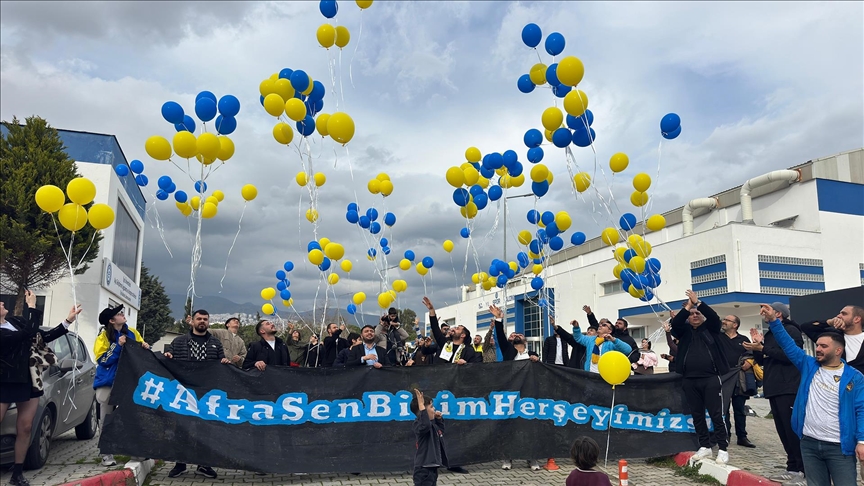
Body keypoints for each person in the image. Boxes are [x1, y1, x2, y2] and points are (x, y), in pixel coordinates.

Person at [760, 303, 864, 486]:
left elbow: (861, 409)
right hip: (809, 444)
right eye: (818, 345)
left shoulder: (854, 377)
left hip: (839, 448)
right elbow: (788, 345)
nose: (818, 349)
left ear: (838, 351)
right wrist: (773, 321)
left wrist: (862, 441)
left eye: (824, 346)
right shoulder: (808, 365)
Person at [1, 291, 81, 486]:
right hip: (3, 381)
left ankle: (17, 473)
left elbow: (42, 335)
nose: (2, 302)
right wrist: (32, 307)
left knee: (26, 427)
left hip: (27, 381)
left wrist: (67, 321)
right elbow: (25, 334)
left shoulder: (15, 321)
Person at [164, 309, 231, 479]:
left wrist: (224, 362)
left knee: (205, 429)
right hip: (183, 391)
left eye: (205, 319)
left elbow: (220, 364)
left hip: (206, 393)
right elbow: (168, 358)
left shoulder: (215, 343)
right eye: (199, 319)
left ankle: (204, 464)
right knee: (181, 427)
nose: (202, 321)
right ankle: (180, 463)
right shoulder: (179, 341)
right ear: (192, 321)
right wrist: (168, 357)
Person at [744, 302, 805, 483]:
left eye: (768, 310)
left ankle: (803, 469)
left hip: (789, 387)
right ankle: (792, 468)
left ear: (779, 314)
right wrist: (758, 346)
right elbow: (763, 361)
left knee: (792, 431)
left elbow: (790, 356)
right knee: (783, 431)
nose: (763, 313)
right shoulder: (771, 334)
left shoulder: (791, 331)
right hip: (774, 387)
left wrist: (764, 348)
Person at [671, 290, 731, 465]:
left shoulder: (711, 329)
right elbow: (676, 324)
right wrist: (688, 307)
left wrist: (698, 303)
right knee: (697, 414)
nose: (695, 316)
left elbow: (713, 317)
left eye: (698, 313)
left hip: (710, 379)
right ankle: (704, 446)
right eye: (692, 314)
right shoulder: (684, 332)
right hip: (690, 380)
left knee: (716, 415)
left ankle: (723, 449)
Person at [93, 304, 150, 466]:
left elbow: (141, 350)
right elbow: (102, 359)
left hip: (129, 381)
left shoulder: (132, 332)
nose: (123, 315)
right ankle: (106, 453)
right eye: (119, 314)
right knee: (106, 418)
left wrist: (145, 347)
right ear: (111, 320)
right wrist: (117, 345)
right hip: (108, 382)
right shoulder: (103, 337)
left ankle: (134, 451)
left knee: (131, 416)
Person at [488, 305, 543, 471]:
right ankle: (507, 458)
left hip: (528, 393)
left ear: (525, 341)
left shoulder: (532, 353)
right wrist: (499, 319)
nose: (517, 336)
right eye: (514, 336)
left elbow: (542, 372)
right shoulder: (508, 351)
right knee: (509, 425)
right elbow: (500, 335)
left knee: (528, 426)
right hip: (510, 393)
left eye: (520, 335)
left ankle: (531, 458)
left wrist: (536, 360)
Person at [719, 314, 754, 448]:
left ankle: (742, 437)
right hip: (723, 377)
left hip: (739, 378)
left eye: (727, 320)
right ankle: (725, 435)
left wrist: (750, 362)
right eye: (724, 319)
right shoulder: (719, 337)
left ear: (735, 325)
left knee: (739, 409)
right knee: (724, 409)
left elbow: (752, 354)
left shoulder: (743, 339)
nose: (724, 321)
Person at [800, 305, 864, 375]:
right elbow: (806, 327)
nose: (839, 316)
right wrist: (829, 322)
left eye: (844, 314)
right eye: (839, 313)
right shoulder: (832, 336)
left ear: (857, 319)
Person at [422, 297, 481, 365]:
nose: (453, 329)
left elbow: (474, 368)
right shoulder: (445, 344)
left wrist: (465, 364)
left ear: (463, 335)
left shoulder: (468, 350)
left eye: (457, 328)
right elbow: (435, 328)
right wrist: (431, 310)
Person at [561, 319, 631, 373]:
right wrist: (576, 327)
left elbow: (628, 350)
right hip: (589, 374)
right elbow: (579, 338)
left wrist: (614, 340)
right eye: (600, 324)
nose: (600, 325)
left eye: (604, 325)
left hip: (604, 375)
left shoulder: (611, 342)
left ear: (609, 331)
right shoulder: (591, 340)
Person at [411, 389, 448, 486]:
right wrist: (422, 407)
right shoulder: (419, 425)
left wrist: (439, 420)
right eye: (431, 407)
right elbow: (425, 425)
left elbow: (440, 432)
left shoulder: (432, 425)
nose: (434, 409)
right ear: (422, 412)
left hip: (432, 469)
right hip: (423, 471)